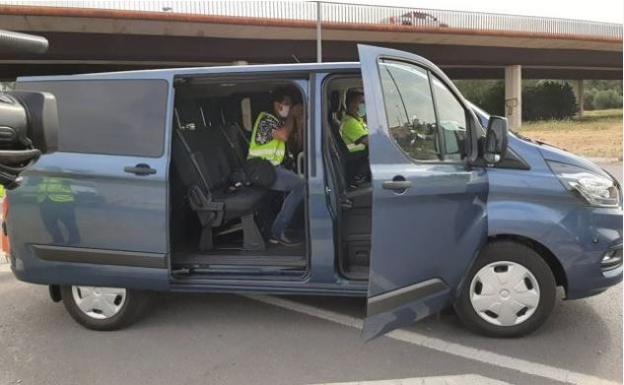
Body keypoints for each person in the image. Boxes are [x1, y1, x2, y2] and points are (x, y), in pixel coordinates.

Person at [248, 87, 304, 246]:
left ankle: (287, 225)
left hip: (272, 167)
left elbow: (294, 143)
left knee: (294, 184)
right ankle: (278, 230)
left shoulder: (278, 121)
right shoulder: (266, 119)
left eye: (290, 105)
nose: (288, 107)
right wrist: (292, 116)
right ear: (276, 104)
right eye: (286, 104)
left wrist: (298, 121)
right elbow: (283, 135)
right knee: (301, 185)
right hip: (261, 168)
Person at [340, 89, 369, 153]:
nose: (365, 105)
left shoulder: (357, 119)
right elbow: (369, 142)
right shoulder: (350, 122)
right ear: (352, 104)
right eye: (362, 102)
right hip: (357, 158)